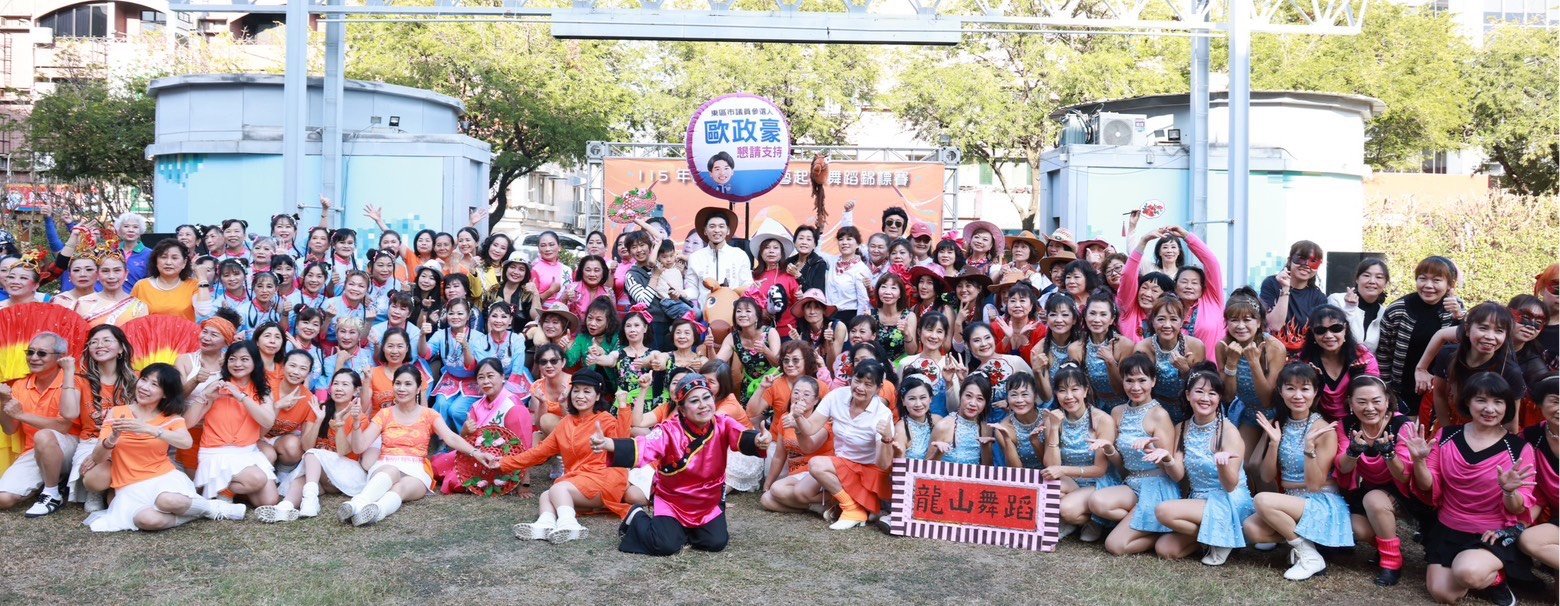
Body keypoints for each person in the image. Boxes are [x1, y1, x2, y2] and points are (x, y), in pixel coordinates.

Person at [593, 373, 771, 556]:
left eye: (706, 397)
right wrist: (608, 443)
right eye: (694, 401)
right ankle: (636, 517)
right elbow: (643, 446)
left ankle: (680, 530)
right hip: (673, 500)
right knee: (665, 546)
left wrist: (759, 440)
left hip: (708, 501)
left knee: (715, 542)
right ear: (682, 410)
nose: (703, 405)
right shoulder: (668, 430)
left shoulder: (723, 423)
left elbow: (744, 437)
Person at [1404, 372, 1538, 605]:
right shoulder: (1447, 436)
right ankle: (1480, 573)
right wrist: (1418, 461)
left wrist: (1509, 491)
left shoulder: (1518, 448)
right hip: (1449, 527)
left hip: (1492, 533)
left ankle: (1496, 578)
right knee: (1443, 594)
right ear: (1468, 402)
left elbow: (1518, 508)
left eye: (1498, 402)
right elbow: (1428, 486)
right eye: (1481, 400)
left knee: (1467, 573)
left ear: (1507, 406)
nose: (1490, 409)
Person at [83, 363, 246, 531]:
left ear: (165, 394)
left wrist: (149, 429)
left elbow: (186, 442)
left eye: (154, 384)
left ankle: (214, 508)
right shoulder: (118, 413)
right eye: (144, 380)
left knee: (167, 501)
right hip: (129, 484)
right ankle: (205, 510)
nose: (144, 387)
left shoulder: (170, 418)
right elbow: (98, 457)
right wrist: (112, 438)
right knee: (146, 521)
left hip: (163, 479)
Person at [497, 369, 645, 543]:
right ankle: (544, 525)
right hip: (577, 479)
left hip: (604, 478)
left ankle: (570, 524)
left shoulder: (605, 419)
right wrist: (502, 463)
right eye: (576, 391)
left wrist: (623, 406)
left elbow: (622, 441)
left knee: (558, 489)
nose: (580, 396)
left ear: (597, 396)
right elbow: (538, 453)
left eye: (587, 391)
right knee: (546, 495)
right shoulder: (565, 423)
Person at [342, 365, 498, 526]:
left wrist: (476, 453)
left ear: (418, 389)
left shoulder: (429, 414)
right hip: (386, 465)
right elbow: (359, 448)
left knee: (400, 489)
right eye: (398, 383)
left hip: (417, 470)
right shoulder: (385, 414)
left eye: (408, 384)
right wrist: (356, 424)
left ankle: (376, 512)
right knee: (391, 470)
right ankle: (356, 505)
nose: (402, 388)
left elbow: (450, 437)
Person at [1244, 362, 1354, 581]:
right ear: (1281, 391)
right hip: (1291, 501)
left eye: (1305, 389)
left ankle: (1309, 556)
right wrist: (1274, 443)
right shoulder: (1279, 424)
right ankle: (1307, 546)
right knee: (1251, 528)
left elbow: (1315, 484)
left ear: (1315, 392)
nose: (1298, 395)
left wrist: (1309, 448)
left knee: (1262, 500)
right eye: (1290, 388)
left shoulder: (1323, 429)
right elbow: (1266, 476)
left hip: (1320, 501)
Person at [1153, 366, 1252, 566]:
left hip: (1228, 500)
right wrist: (1167, 458)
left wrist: (1222, 464)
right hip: (1199, 499)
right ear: (1188, 395)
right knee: (1165, 549)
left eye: (1212, 393)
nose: (1205, 398)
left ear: (1219, 398)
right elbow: (1178, 475)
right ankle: (1219, 538)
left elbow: (1230, 486)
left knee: (1164, 511)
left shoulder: (1228, 431)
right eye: (1199, 391)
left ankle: (1224, 535)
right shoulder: (1182, 427)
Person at [1087, 353, 1180, 556]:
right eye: (1129, 380)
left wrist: (1153, 452)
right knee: (1096, 502)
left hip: (1157, 486)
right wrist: (1109, 449)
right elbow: (1121, 465)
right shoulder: (1117, 412)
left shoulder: (1159, 415)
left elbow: (1171, 470)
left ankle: (1158, 532)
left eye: (1142, 380)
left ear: (1153, 381)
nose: (1135, 387)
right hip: (1131, 482)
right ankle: (1149, 524)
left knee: (1114, 546)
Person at [1333, 376, 1420, 586]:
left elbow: (1404, 475)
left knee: (1374, 499)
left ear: (1387, 401)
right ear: (1351, 403)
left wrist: (1388, 453)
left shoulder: (1402, 425)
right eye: (1361, 402)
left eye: (1376, 401)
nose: (1370, 408)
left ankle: (1392, 562)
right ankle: (1387, 546)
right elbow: (1343, 467)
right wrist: (1353, 450)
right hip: (1368, 489)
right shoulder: (1347, 425)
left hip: (1403, 490)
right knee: (1355, 527)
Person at [794, 359, 897, 530]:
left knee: (816, 464)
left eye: (868, 384)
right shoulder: (836, 396)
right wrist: (798, 417)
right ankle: (853, 508)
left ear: (879, 389)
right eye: (857, 380)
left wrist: (887, 439)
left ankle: (852, 508)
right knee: (803, 488)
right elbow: (810, 428)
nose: (860, 388)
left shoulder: (882, 414)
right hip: (841, 464)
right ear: (851, 378)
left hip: (868, 470)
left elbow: (883, 464)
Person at [257, 368, 372, 522]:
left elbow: (344, 451)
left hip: (346, 475)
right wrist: (318, 421)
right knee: (303, 476)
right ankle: (285, 507)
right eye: (336, 383)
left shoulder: (359, 417)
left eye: (345, 384)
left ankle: (311, 500)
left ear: (356, 390)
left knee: (312, 454)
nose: (339, 388)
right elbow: (306, 446)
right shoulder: (320, 409)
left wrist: (338, 425)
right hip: (321, 475)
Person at [185, 341, 285, 508]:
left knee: (269, 501)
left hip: (248, 452)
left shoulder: (262, 390)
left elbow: (268, 421)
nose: (238, 364)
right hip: (217, 452)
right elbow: (188, 422)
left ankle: (224, 490)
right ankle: (223, 490)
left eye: (244, 359)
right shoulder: (217, 386)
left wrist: (241, 397)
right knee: (257, 478)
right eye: (232, 359)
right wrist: (204, 396)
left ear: (255, 362)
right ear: (226, 362)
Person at [0, 333, 84, 517]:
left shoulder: (70, 380)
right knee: (4, 499)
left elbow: (62, 427)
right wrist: (2, 402)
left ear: (60, 357)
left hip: (70, 448)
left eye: (42, 353)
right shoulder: (20, 385)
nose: (34, 357)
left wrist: (21, 415)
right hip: (34, 451)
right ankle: (51, 482)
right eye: (30, 352)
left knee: (44, 435)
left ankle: (52, 494)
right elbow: (10, 429)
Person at [430, 358, 533, 495]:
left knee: (454, 480)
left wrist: (524, 482)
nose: (486, 381)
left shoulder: (514, 406)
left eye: (490, 376)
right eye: (481, 377)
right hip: (476, 457)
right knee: (436, 466)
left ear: (502, 377)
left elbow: (524, 446)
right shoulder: (476, 406)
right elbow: (467, 442)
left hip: (500, 463)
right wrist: (465, 432)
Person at [1376, 256, 1465, 409]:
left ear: (1450, 285)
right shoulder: (1397, 310)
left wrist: (1459, 316)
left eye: (1436, 280)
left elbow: (1465, 345)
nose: (1428, 285)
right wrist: (1387, 390)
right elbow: (1384, 354)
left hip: (1441, 390)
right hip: (1403, 390)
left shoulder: (1456, 308)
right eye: (1422, 279)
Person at [1040, 367, 1117, 542]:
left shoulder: (1102, 420)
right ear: (1056, 393)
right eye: (1062, 390)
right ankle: (1082, 519)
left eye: (1074, 389)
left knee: (1065, 508)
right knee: (1044, 493)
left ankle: (1095, 520)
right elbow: (1051, 466)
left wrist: (1063, 470)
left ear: (1085, 390)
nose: (1069, 396)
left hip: (1097, 482)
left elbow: (1100, 470)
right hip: (1069, 481)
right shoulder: (1053, 419)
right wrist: (1053, 428)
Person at [1423, 302, 1526, 430]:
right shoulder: (1448, 354)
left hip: (1489, 433)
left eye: (1499, 331)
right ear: (1467, 330)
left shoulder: (1510, 371)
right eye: (1483, 328)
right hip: (1450, 426)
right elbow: (1439, 395)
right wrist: (1447, 431)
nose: (1490, 337)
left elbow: (1510, 424)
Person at [68, 325, 137, 513]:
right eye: (94, 342)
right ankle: (97, 490)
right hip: (92, 441)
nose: (99, 345)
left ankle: (115, 489)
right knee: (96, 476)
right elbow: (69, 413)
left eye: (106, 340)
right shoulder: (80, 380)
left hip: (126, 440)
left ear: (121, 348)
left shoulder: (137, 380)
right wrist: (68, 374)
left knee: (117, 499)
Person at [1218, 289, 1288, 450]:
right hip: (1248, 412)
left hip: (1275, 414)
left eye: (1247, 320)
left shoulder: (1274, 348)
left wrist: (1254, 362)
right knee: (1240, 458)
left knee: (1260, 462)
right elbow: (1228, 396)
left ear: (1258, 322)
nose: (1240, 326)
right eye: (1234, 320)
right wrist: (1231, 363)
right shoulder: (1223, 346)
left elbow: (1267, 400)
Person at [761, 375, 834, 512]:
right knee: (766, 499)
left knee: (777, 489)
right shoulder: (785, 418)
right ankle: (815, 507)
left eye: (806, 394)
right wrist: (767, 484)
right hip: (796, 474)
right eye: (796, 392)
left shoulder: (824, 421)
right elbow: (779, 456)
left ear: (816, 400)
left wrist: (798, 423)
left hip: (817, 473)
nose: (800, 397)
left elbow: (810, 447)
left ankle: (830, 500)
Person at [1296, 304, 1380, 423]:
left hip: (1360, 420)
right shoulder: (1304, 362)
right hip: (1316, 422)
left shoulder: (1363, 358)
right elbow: (1299, 402)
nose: (1329, 336)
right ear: (1313, 333)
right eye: (1320, 330)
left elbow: (1373, 397)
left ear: (1346, 329)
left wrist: (1358, 379)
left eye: (1336, 328)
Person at [1133, 296, 1206, 423]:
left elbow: (1203, 386)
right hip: (1155, 410)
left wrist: (1186, 371)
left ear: (1181, 322)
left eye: (1173, 319)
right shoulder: (1143, 348)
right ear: (1153, 321)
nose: (1167, 325)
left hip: (1188, 410)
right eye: (1161, 319)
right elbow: (1138, 385)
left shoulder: (1196, 346)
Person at [426, 298, 492, 432]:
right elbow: (425, 354)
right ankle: (443, 438)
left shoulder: (478, 337)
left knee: (456, 410)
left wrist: (465, 345)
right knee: (441, 404)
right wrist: (422, 335)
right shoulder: (441, 334)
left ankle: (469, 437)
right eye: (451, 313)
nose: (455, 317)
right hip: (450, 379)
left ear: (468, 316)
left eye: (460, 313)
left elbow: (473, 367)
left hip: (472, 381)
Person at [1517, 376, 1558, 573]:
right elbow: (1536, 491)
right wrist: (1520, 525)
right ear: (1540, 403)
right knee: (1527, 540)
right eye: (1555, 401)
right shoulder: (1531, 437)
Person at [1070, 293, 1133, 412]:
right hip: (1093, 406)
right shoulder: (1076, 348)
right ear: (1085, 316)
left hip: (1124, 406)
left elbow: (1124, 389)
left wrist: (1110, 362)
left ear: (1112, 319)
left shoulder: (1124, 345)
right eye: (1092, 313)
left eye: (1103, 314)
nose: (1096, 319)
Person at [1259, 240, 1329, 341]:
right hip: (1272, 348)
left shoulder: (1319, 298)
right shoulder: (1271, 284)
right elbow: (1273, 326)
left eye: (1313, 261)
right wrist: (1285, 288)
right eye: (1301, 259)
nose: (1306, 265)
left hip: (1303, 350)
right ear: (1290, 260)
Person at [686, 207, 752, 306]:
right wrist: (682, 293)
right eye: (712, 226)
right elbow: (693, 289)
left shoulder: (739, 255)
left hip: (733, 310)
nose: (717, 230)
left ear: (728, 230)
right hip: (705, 311)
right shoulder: (695, 257)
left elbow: (747, 285)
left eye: (721, 226)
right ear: (705, 230)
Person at [929, 375, 995, 466]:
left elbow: (987, 470)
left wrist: (985, 448)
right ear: (960, 395)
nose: (972, 403)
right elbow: (926, 468)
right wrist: (939, 453)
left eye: (980, 399)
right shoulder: (943, 426)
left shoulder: (986, 428)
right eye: (968, 396)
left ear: (986, 403)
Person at [1328, 258, 1391, 352]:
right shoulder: (1337, 300)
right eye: (1366, 275)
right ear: (1357, 279)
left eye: (1379, 277)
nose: (1372, 281)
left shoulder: (1384, 314)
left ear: (1385, 283)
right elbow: (1333, 335)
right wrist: (1349, 308)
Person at [69, 254, 148, 327]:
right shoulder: (83, 303)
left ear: (126, 273)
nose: (111, 276)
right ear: (97, 274)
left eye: (117, 270)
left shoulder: (139, 307)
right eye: (105, 271)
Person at [131, 240, 201, 321]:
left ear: (184, 262)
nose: (168, 262)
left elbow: (204, 312)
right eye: (163, 257)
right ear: (156, 261)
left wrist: (202, 278)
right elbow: (131, 317)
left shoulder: (193, 285)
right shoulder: (141, 286)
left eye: (174, 258)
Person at [823, 226, 873, 324]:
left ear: (858, 244)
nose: (844, 242)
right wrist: (819, 230)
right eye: (841, 239)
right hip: (829, 316)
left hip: (850, 317)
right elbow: (816, 251)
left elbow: (863, 301)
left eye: (849, 239)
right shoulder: (833, 261)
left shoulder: (861, 269)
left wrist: (857, 325)